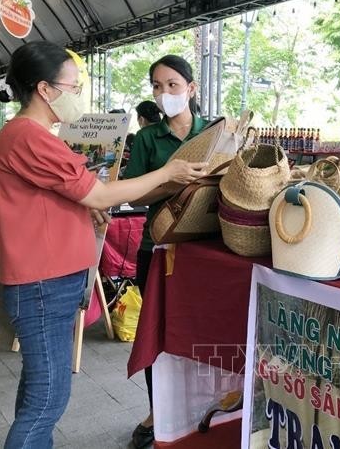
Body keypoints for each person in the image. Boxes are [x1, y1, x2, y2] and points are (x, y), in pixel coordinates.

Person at [0, 41, 209, 449]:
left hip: (52, 278)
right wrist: (168, 171)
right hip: (43, 282)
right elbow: (100, 193)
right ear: (44, 89)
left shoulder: (37, 135)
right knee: (47, 398)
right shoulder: (28, 135)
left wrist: (82, 208)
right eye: (73, 87)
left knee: (40, 391)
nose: (78, 96)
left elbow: (66, 193)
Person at [123, 54, 206, 448]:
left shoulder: (213, 132)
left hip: (205, 250)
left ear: (191, 88)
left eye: (172, 85)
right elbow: (135, 193)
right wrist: (172, 182)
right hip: (157, 248)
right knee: (157, 333)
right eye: (157, 86)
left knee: (198, 334)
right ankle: (158, 411)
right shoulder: (146, 139)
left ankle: (201, 407)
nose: (164, 93)